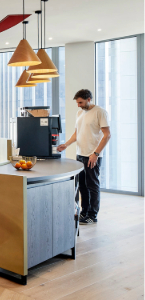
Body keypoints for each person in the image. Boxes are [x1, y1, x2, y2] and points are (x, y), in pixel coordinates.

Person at [56, 89, 109, 224]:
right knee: (82, 186)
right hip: (80, 154)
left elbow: (107, 135)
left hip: (92, 156)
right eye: (77, 103)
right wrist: (66, 145)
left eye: (80, 102)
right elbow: (76, 133)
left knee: (92, 185)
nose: (78, 105)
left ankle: (92, 215)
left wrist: (96, 154)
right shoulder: (79, 113)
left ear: (89, 99)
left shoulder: (100, 112)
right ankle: (84, 212)